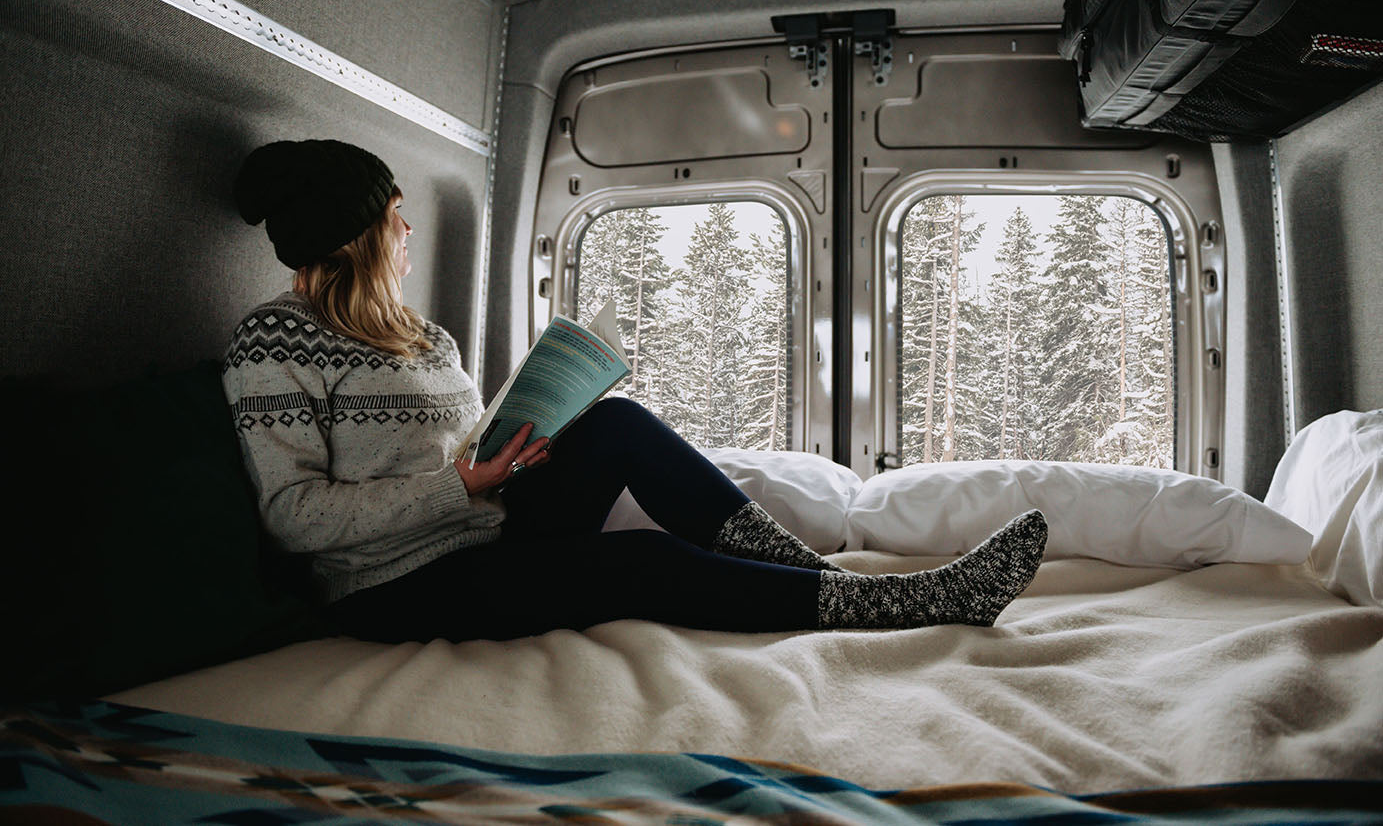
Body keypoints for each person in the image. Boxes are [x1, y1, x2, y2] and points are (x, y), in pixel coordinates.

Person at [223, 139, 1047, 643]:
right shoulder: (274, 340)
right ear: (355, 233)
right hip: (389, 586)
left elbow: (446, 458)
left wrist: (506, 449)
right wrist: (460, 484)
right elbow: (294, 518)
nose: (409, 231)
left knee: (614, 422)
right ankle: (901, 601)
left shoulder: (424, 336)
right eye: (396, 216)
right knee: (644, 560)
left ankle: (809, 576)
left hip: (481, 526)